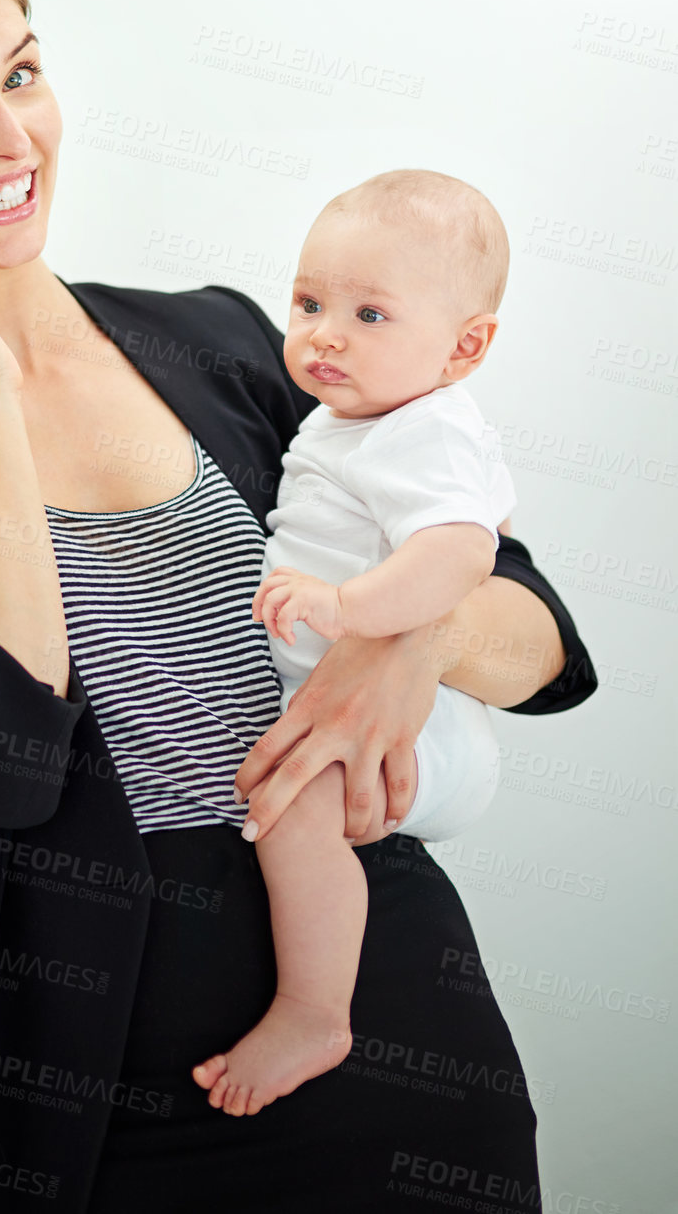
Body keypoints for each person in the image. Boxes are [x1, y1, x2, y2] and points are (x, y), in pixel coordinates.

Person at [0, 0, 597, 1213]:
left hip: (399, 1032)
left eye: (19, 73)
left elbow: (546, 640)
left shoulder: (228, 339)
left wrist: (406, 642)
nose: (11, 141)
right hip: (109, 1100)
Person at [195, 169, 520, 1117]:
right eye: (308, 302)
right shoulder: (365, 419)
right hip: (379, 718)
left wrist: (351, 608)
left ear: (463, 348)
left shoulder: (421, 431)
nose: (325, 332)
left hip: (415, 736)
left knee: (289, 806)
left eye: (370, 314)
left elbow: (462, 549)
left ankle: (312, 1008)